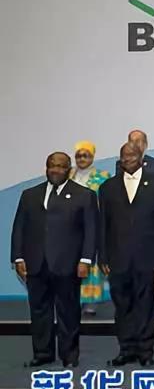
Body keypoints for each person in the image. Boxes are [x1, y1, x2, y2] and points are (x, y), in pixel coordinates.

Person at [11, 152, 97, 368]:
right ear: (46, 168)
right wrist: (18, 257)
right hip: (36, 263)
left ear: (69, 169)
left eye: (60, 166)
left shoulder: (84, 195)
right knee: (39, 311)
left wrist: (86, 260)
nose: (55, 170)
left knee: (68, 311)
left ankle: (69, 356)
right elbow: (19, 227)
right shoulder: (30, 195)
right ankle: (43, 353)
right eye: (52, 166)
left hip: (68, 264)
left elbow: (91, 231)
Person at [99, 142, 154, 367]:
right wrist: (102, 256)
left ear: (141, 156)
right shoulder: (108, 187)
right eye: (124, 155)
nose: (128, 159)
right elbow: (103, 225)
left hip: (148, 256)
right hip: (117, 257)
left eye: (132, 155)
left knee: (145, 305)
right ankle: (126, 349)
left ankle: (145, 351)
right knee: (122, 305)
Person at [70, 140, 111, 316]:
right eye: (78, 155)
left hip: (93, 225)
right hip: (70, 228)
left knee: (90, 263)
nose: (82, 159)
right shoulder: (68, 175)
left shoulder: (103, 177)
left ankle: (90, 301)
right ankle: (72, 300)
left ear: (92, 157)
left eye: (85, 155)